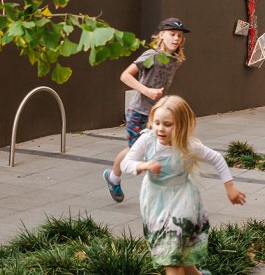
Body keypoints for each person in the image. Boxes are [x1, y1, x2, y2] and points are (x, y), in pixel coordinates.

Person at [121, 95, 246, 275]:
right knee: (182, 255)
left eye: (167, 124)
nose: (160, 129)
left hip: (183, 200)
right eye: (156, 123)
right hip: (155, 202)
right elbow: (126, 163)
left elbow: (217, 159)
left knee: (172, 256)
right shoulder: (147, 140)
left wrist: (230, 188)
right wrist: (143, 165)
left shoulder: (188, 145)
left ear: (181, 125)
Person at [103, 17, 189, 203]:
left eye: (179, 36)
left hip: (157, 115)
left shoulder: (175, 59)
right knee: (137, 151)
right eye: (172, 34)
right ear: (161, 35)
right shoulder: (151, 55)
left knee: (159, 149)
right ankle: (114, 177)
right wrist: (146, 91)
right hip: (139, 112)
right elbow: (125, 75)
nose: (176, 39)